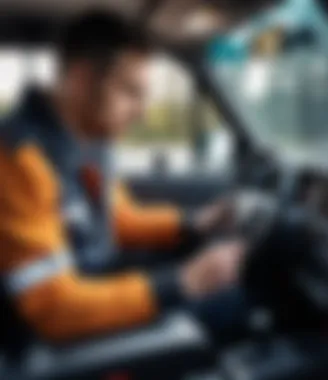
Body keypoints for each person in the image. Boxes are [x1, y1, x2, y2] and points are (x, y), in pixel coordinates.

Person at [0, 11, 246, 343]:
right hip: (58, 337)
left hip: (92, 284)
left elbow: (117, 218)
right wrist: (183, 282)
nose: (141, 112)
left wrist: (193, 222)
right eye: (130, 92)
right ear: (81, 80)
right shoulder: (17, 158)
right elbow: (51, 305)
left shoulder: (89, 140)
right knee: (231, 304)